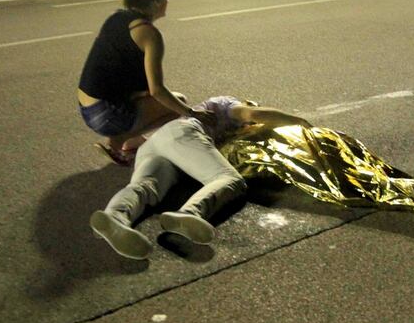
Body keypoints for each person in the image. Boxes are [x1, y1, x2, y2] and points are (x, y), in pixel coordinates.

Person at [89, 97, 309, 260]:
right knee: (228, 179)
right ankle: (189, 213)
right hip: (182, 134)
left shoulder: (207, 119)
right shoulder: (227, 104)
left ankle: (115, 217)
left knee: (143, 187)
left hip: (155, 145)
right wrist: (297, 120)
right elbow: (252, 114)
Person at [77, 0, 212, 166]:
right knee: (177, 104)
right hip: (105, 114)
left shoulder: (117, 17)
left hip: (87, 106)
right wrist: (191, 113)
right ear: (157, 2)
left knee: (159, 100)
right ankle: (117, 142)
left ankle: (132, 141)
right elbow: (157, 90)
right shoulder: (149, 34)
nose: (168, 0)